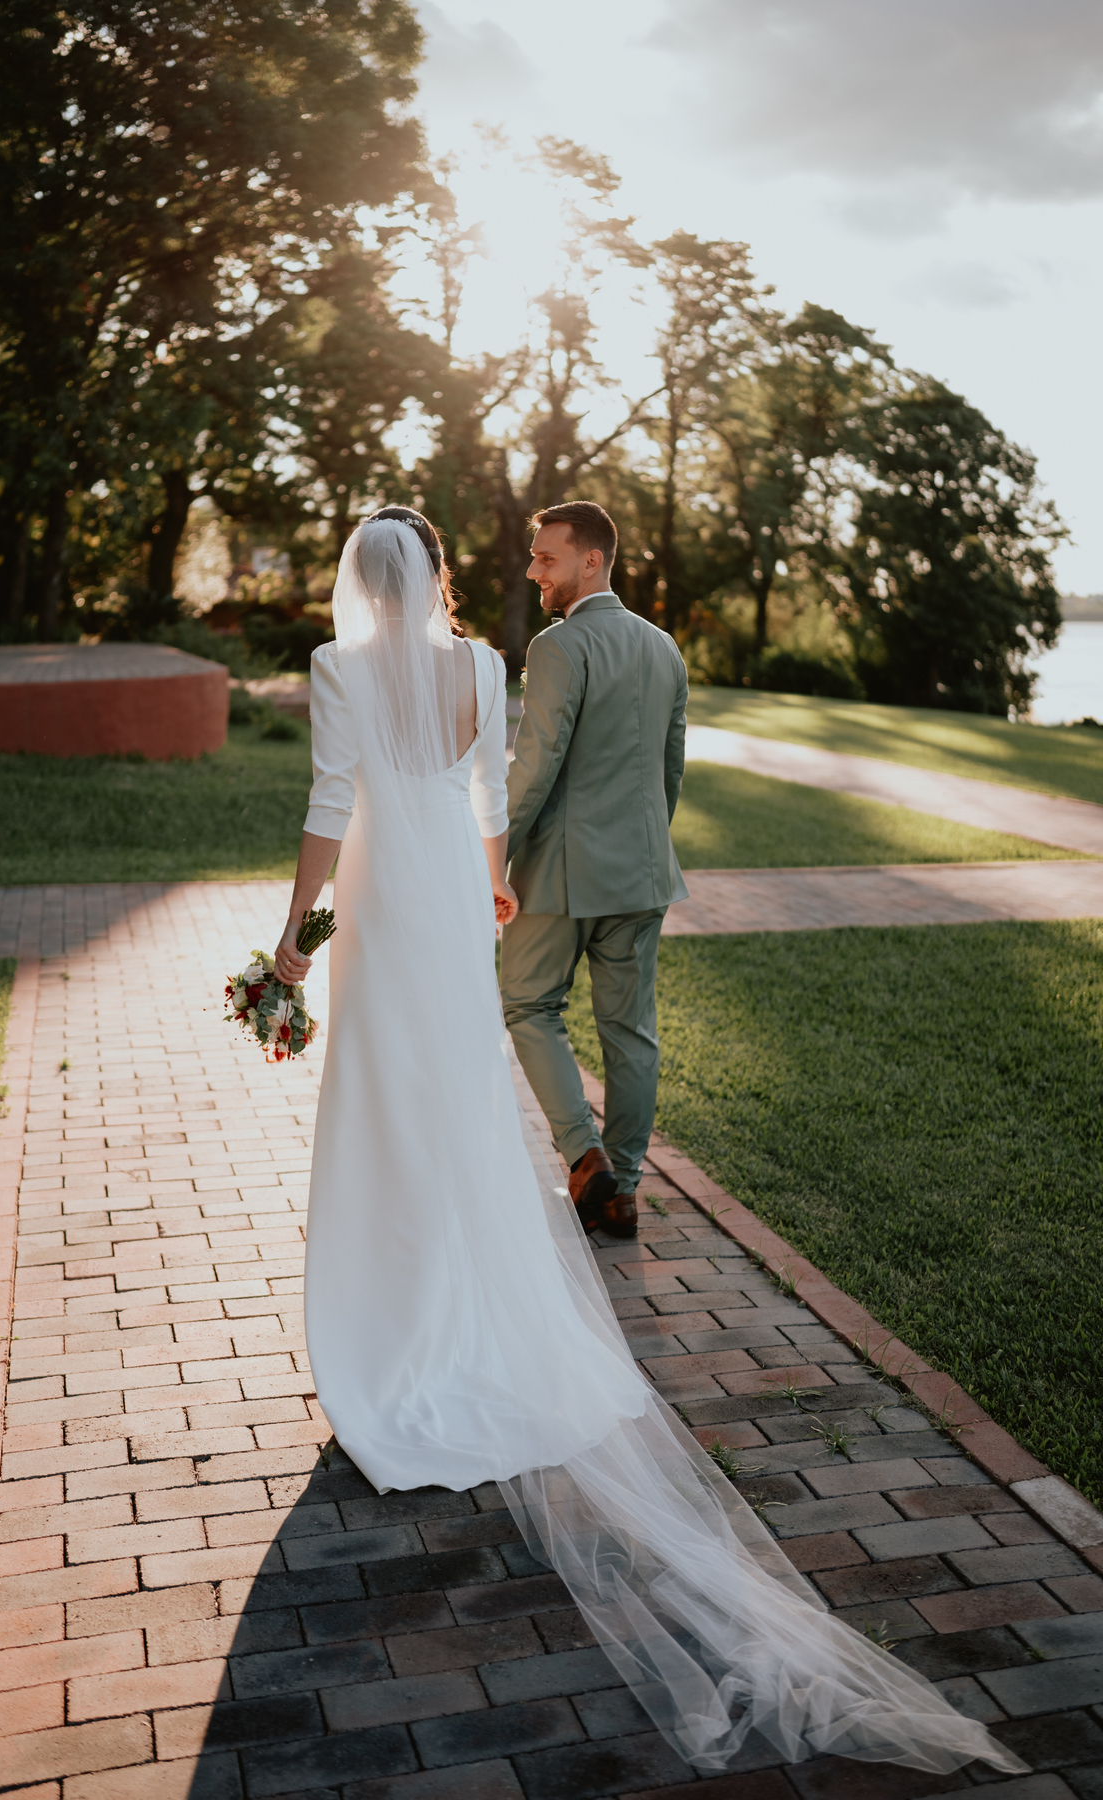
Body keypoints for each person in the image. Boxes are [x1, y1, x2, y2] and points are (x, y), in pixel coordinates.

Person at [273, 506, 1026, 1777]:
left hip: (395, 900)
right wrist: (499, 881)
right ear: (441, 577)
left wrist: (298, 928)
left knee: (385, 1101)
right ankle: (491, 1287)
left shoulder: (340, 668)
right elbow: (481, 789)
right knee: (461, 1099)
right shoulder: (484, 665)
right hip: (457, 890)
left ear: (360, 584)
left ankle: (391, 1329)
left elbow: (332, 801)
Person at [501, 501, 688, 1241]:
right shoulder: (663, 647)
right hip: (642, 873)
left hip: (560, 875)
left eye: (546, 558)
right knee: (630, 1033)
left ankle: (585, 1160)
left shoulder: (558, 646)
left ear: (592, 561)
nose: (533, 570)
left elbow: (535, 764)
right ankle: (625, 1188)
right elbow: (669, 768)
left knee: (526, 1005)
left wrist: (493, 858)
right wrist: (644, 846)